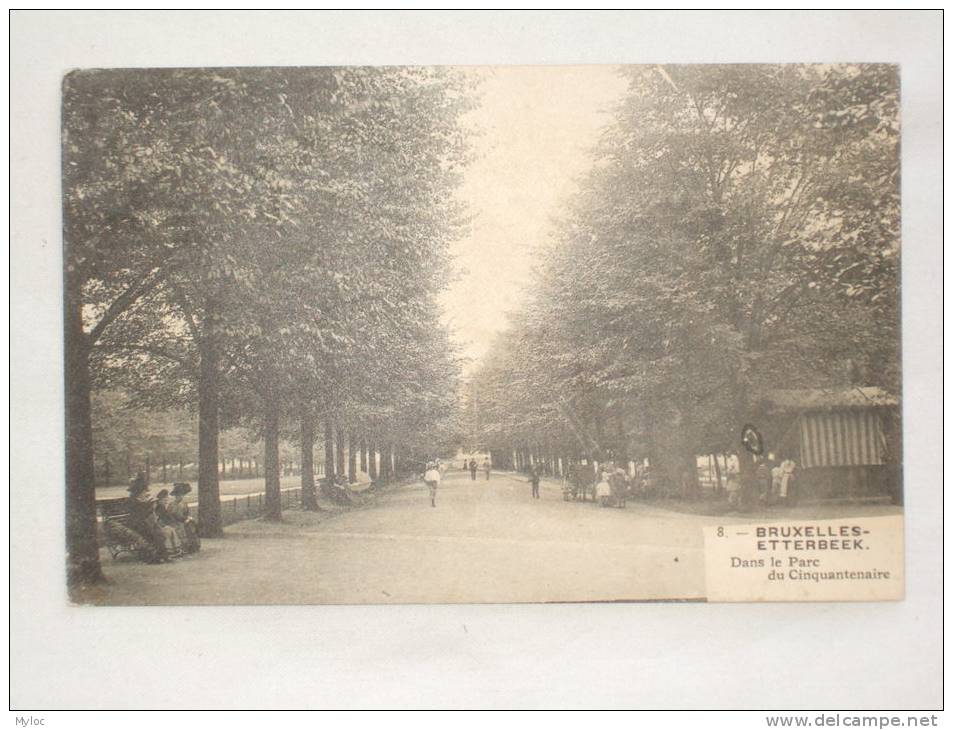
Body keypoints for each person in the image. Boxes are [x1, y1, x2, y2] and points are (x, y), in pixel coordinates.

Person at [126, 475, 173, 563]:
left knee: (158, 532)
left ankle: (163, 555)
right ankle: (156, 557)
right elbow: (139, 515)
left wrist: (150, 506)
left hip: (144, 523)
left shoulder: (140, 500)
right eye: (144, 492)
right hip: (136, 525)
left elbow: (146, 514)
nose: (145, 493)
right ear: (138, 492)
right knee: (154, 533)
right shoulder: (133, 501)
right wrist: (148, 506)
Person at [167, 482, 201, 553]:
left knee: (191, 525)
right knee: (183, 527)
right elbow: (173, 515)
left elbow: (187, 513)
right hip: (175, 521)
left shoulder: (184, 504)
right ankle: (184, 546)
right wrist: (184, 519)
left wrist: (188, 518)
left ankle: (193, 545)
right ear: (175, 496)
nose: (180, 496)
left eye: (182, 495)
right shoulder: (172, 505)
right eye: (178, 495)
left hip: (183, 520)